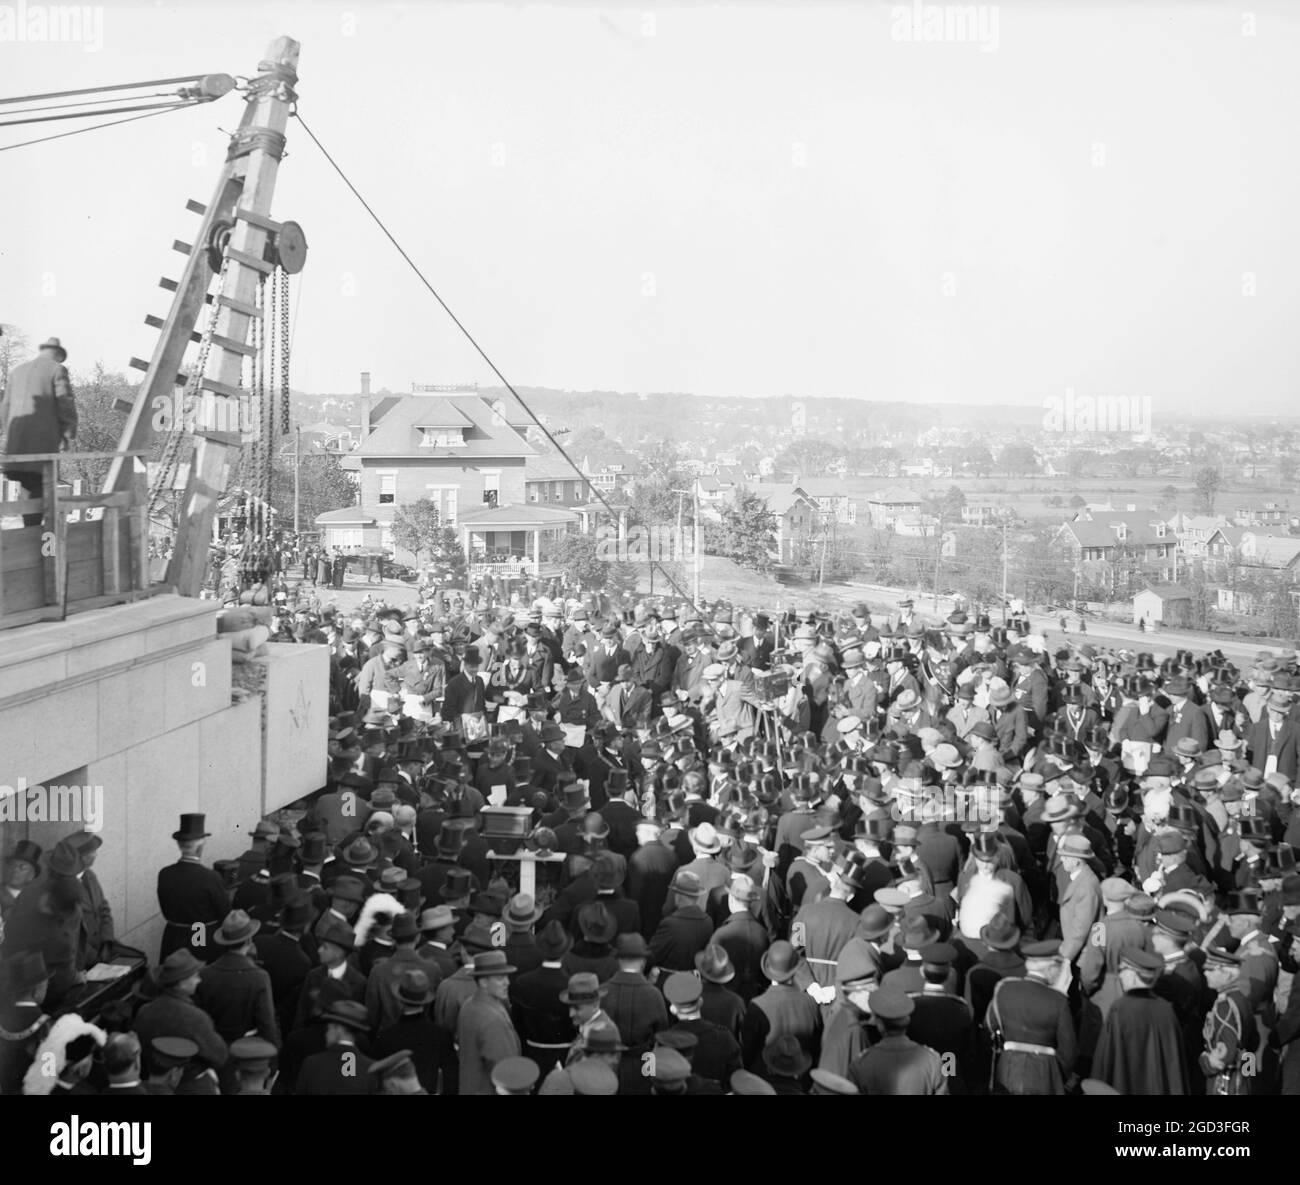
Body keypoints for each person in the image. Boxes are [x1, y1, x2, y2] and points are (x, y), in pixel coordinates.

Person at [1, 335, 77, 526]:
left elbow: (5, 407)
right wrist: (68, 435)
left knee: (28, 488)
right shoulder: (56, 369)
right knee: (42, 489)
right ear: (57, 355)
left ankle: (32, 534)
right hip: (42, 447)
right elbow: (65, 403)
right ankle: (39, 542)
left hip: (16, 446)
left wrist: (8, 437)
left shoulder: (17, 371)